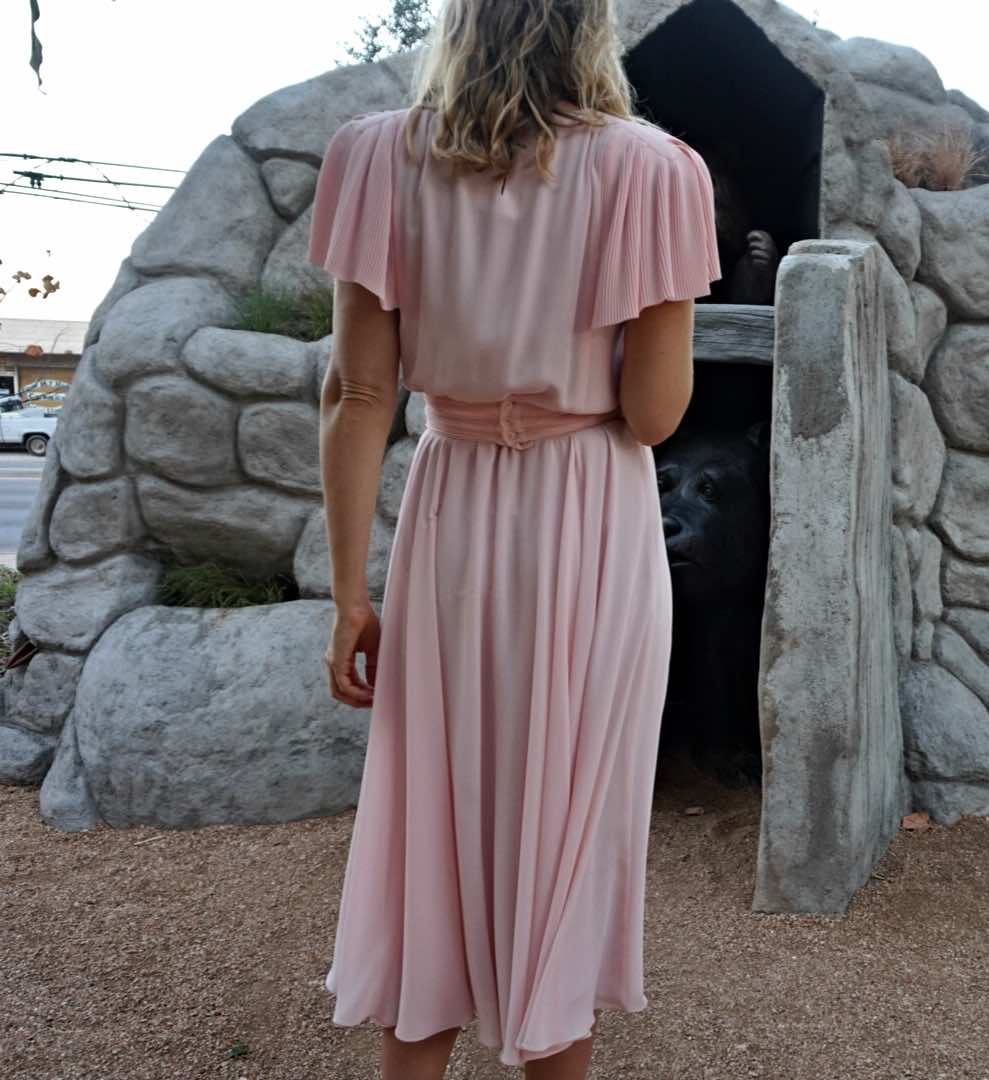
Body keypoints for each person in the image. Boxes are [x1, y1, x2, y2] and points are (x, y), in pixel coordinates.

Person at [307, 1, 721, 1076]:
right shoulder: (653, 169)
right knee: (566, 831)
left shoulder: (371, 157)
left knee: (425, 825)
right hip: (588, 520)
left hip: (446, 516)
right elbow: (653, 414)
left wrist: (351, 594)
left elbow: (357, 393)